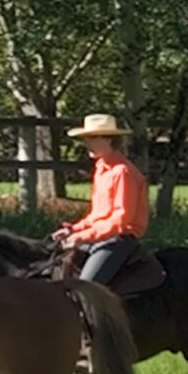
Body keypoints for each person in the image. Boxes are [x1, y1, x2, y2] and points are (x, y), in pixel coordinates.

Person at [57, 112, 149, 287]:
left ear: (108, 139)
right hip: (99, 237)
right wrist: (73, 230)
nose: (86, 143)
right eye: (86, 138)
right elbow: (97, 215)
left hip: (118, 240)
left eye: (91, 138)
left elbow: (121, 219)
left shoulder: (122, 172)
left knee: (84, 287)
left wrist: (83, 236)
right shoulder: (101, 169)